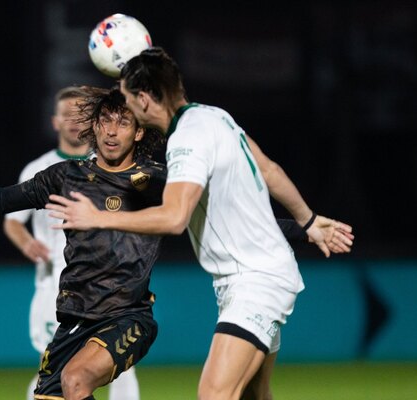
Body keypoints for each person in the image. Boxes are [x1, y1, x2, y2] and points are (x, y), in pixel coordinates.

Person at [45, 48, 355, 400]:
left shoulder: (186, 141)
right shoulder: (214, 117)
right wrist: (308, 220)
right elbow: (268, 169)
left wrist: (98, 217)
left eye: (128, 98)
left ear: (145, 100)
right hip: (254, 276)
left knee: (214, 394)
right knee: (256, 395)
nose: (124, 106)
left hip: (255, 281)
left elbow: (175, 218)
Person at [0, 87, 168, 400]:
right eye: (104, 121)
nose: (111, 131)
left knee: (75, 381)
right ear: (95, 126)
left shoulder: (155, 180)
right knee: (48, 395)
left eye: (123, 123)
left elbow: (189, 211)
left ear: (139, 132)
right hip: (75, 320)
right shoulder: (67, 176)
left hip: (127, 316)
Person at [2, 86, 141, 400]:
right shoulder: (38, 169)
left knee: (121, 364)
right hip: (56, 286)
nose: (74, 121)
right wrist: (26, 243)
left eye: (81, 114)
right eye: (67, 115)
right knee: (54, 367)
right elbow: (12, 220)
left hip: (108, 284)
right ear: (55, 122)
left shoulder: (111, 165)